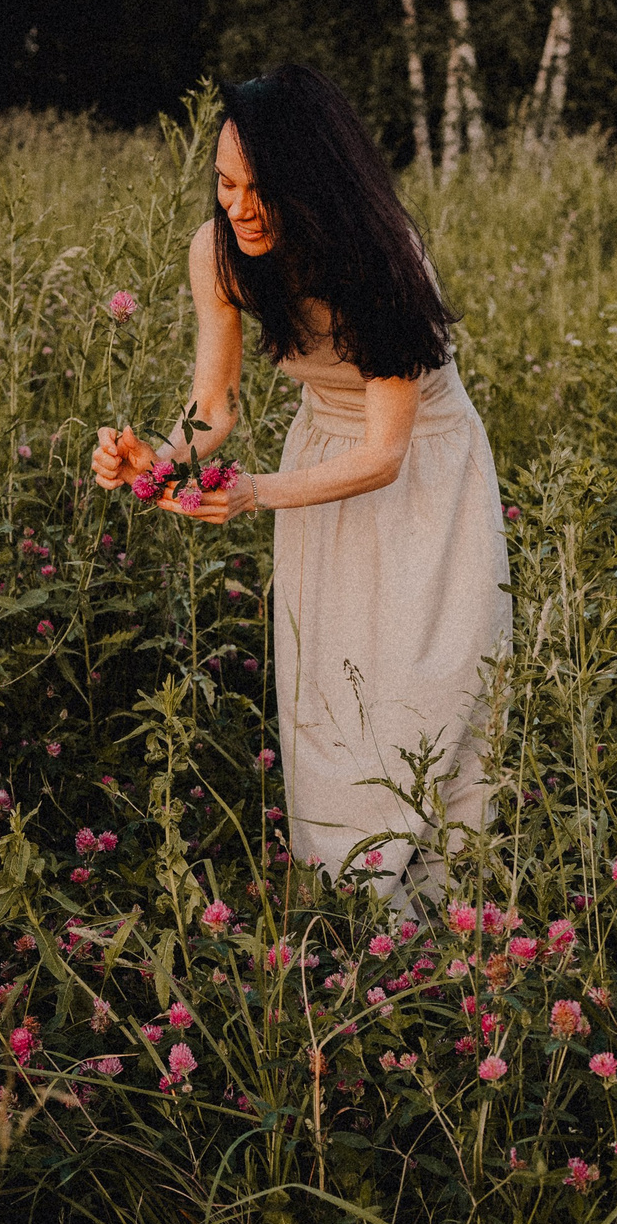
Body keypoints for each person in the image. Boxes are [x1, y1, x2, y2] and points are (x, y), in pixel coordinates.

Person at [91, 64, 510, 910]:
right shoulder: (220, 251)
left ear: (312, 188)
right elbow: (216, 403)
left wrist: (254, 493)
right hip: (317, 459)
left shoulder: (379, 260)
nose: (239, 207)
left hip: (426, 474)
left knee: (430, 688)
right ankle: (354, 908)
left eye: (261, 190)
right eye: (225, 182)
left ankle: (448, 918)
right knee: (332, 688)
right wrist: (162, 460)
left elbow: (386, 451)